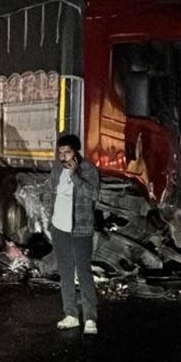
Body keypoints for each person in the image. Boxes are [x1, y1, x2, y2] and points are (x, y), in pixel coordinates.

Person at [45, 133, 101, 334]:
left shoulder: (88, 170)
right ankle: (70, 315)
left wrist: (75, 175)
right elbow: (51, 192)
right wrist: (50, 219)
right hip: (59, 228)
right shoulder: (57, 169)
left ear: (76, 152)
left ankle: (90, 319)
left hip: (80, 229)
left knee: (84, 273)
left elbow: (93, 195)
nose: (63, 157)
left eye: (67, 152)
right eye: (60, 153)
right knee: (66, 273)